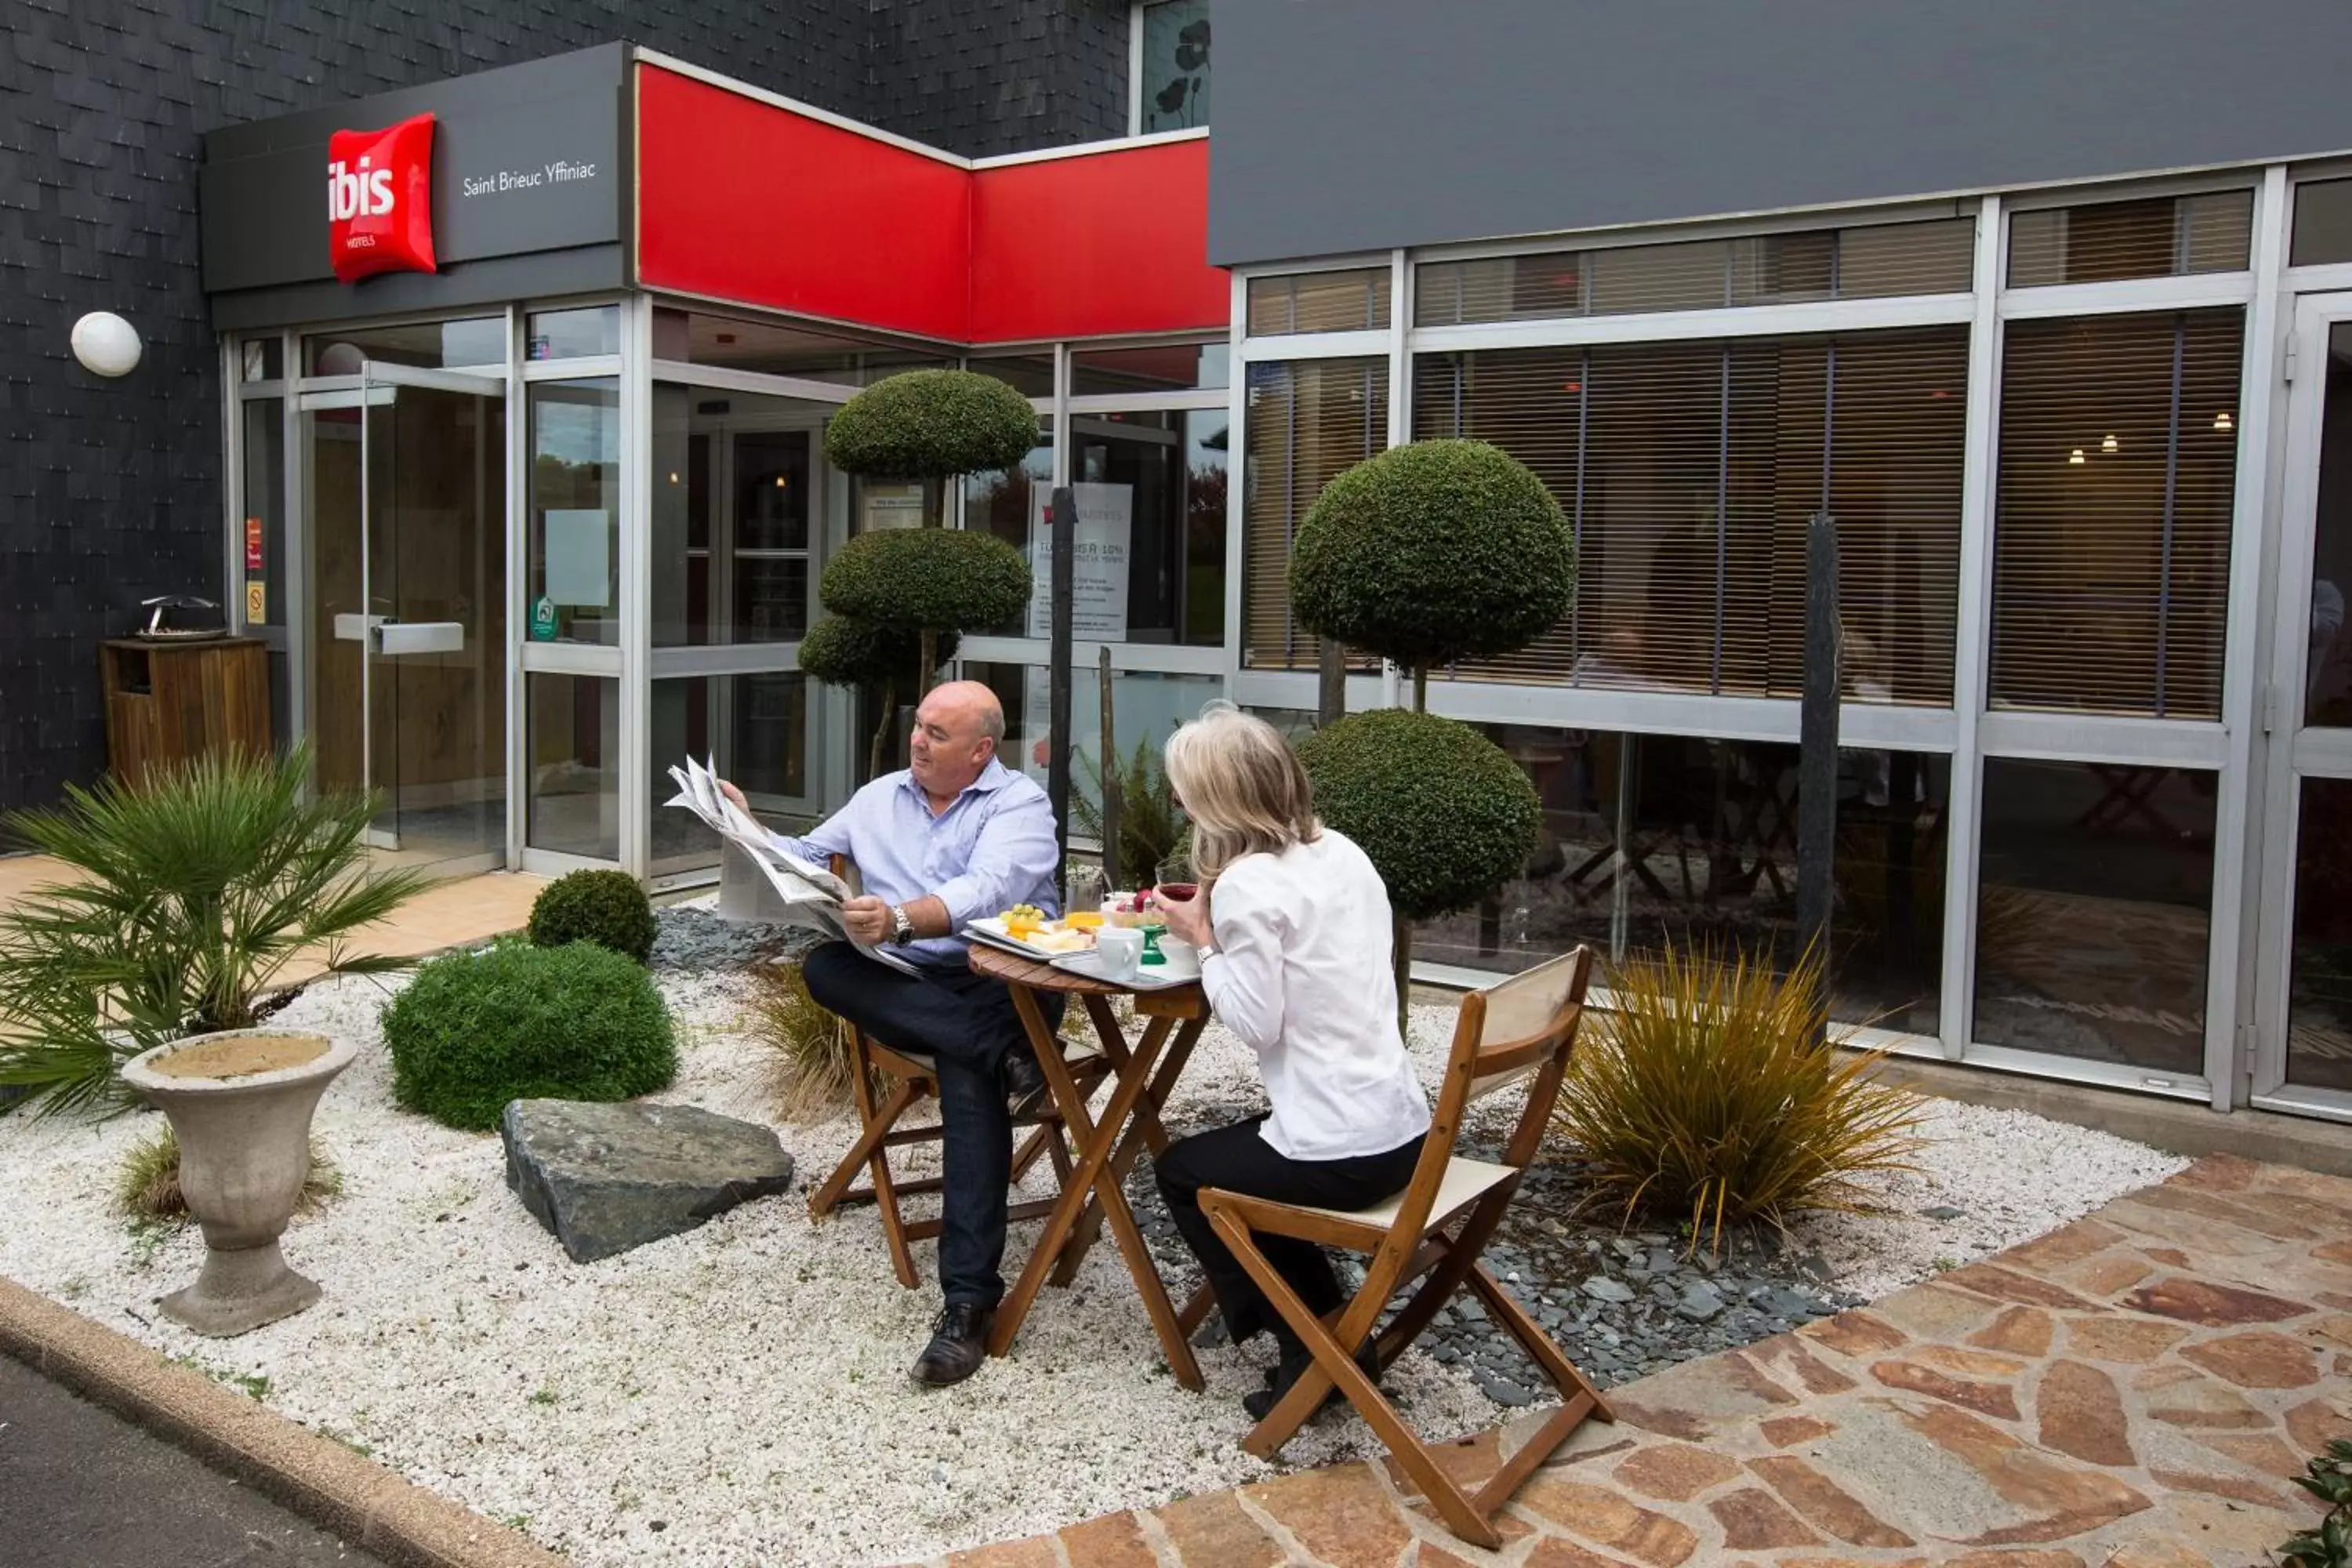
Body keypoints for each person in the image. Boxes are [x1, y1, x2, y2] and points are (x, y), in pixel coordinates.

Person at [719, 680, 1059, 1388]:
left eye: (937, 733)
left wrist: (901, 918)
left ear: (980, 751)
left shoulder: (1018, 804)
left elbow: (990, 889)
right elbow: (808, 854)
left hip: (1004, 980)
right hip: (912, 984)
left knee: (968, 1076)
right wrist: (749, 829)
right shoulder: (880, 796)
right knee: (825, 968)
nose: (917, 740)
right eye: (918, 725)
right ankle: (1010, 1061)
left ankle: (966, 1303)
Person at [1151, 705, 1432, 1420]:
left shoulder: (1249, 884)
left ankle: (1304, 1346)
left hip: (1344, 1149)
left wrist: (1205, 941)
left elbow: (1253, 1022)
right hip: (1404, 1133)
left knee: (1183, 1172)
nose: (1178, 803)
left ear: (1218, 799)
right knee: (1246, 1160)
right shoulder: (1343, 851)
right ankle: (1336, 1335)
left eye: (1184, 790)